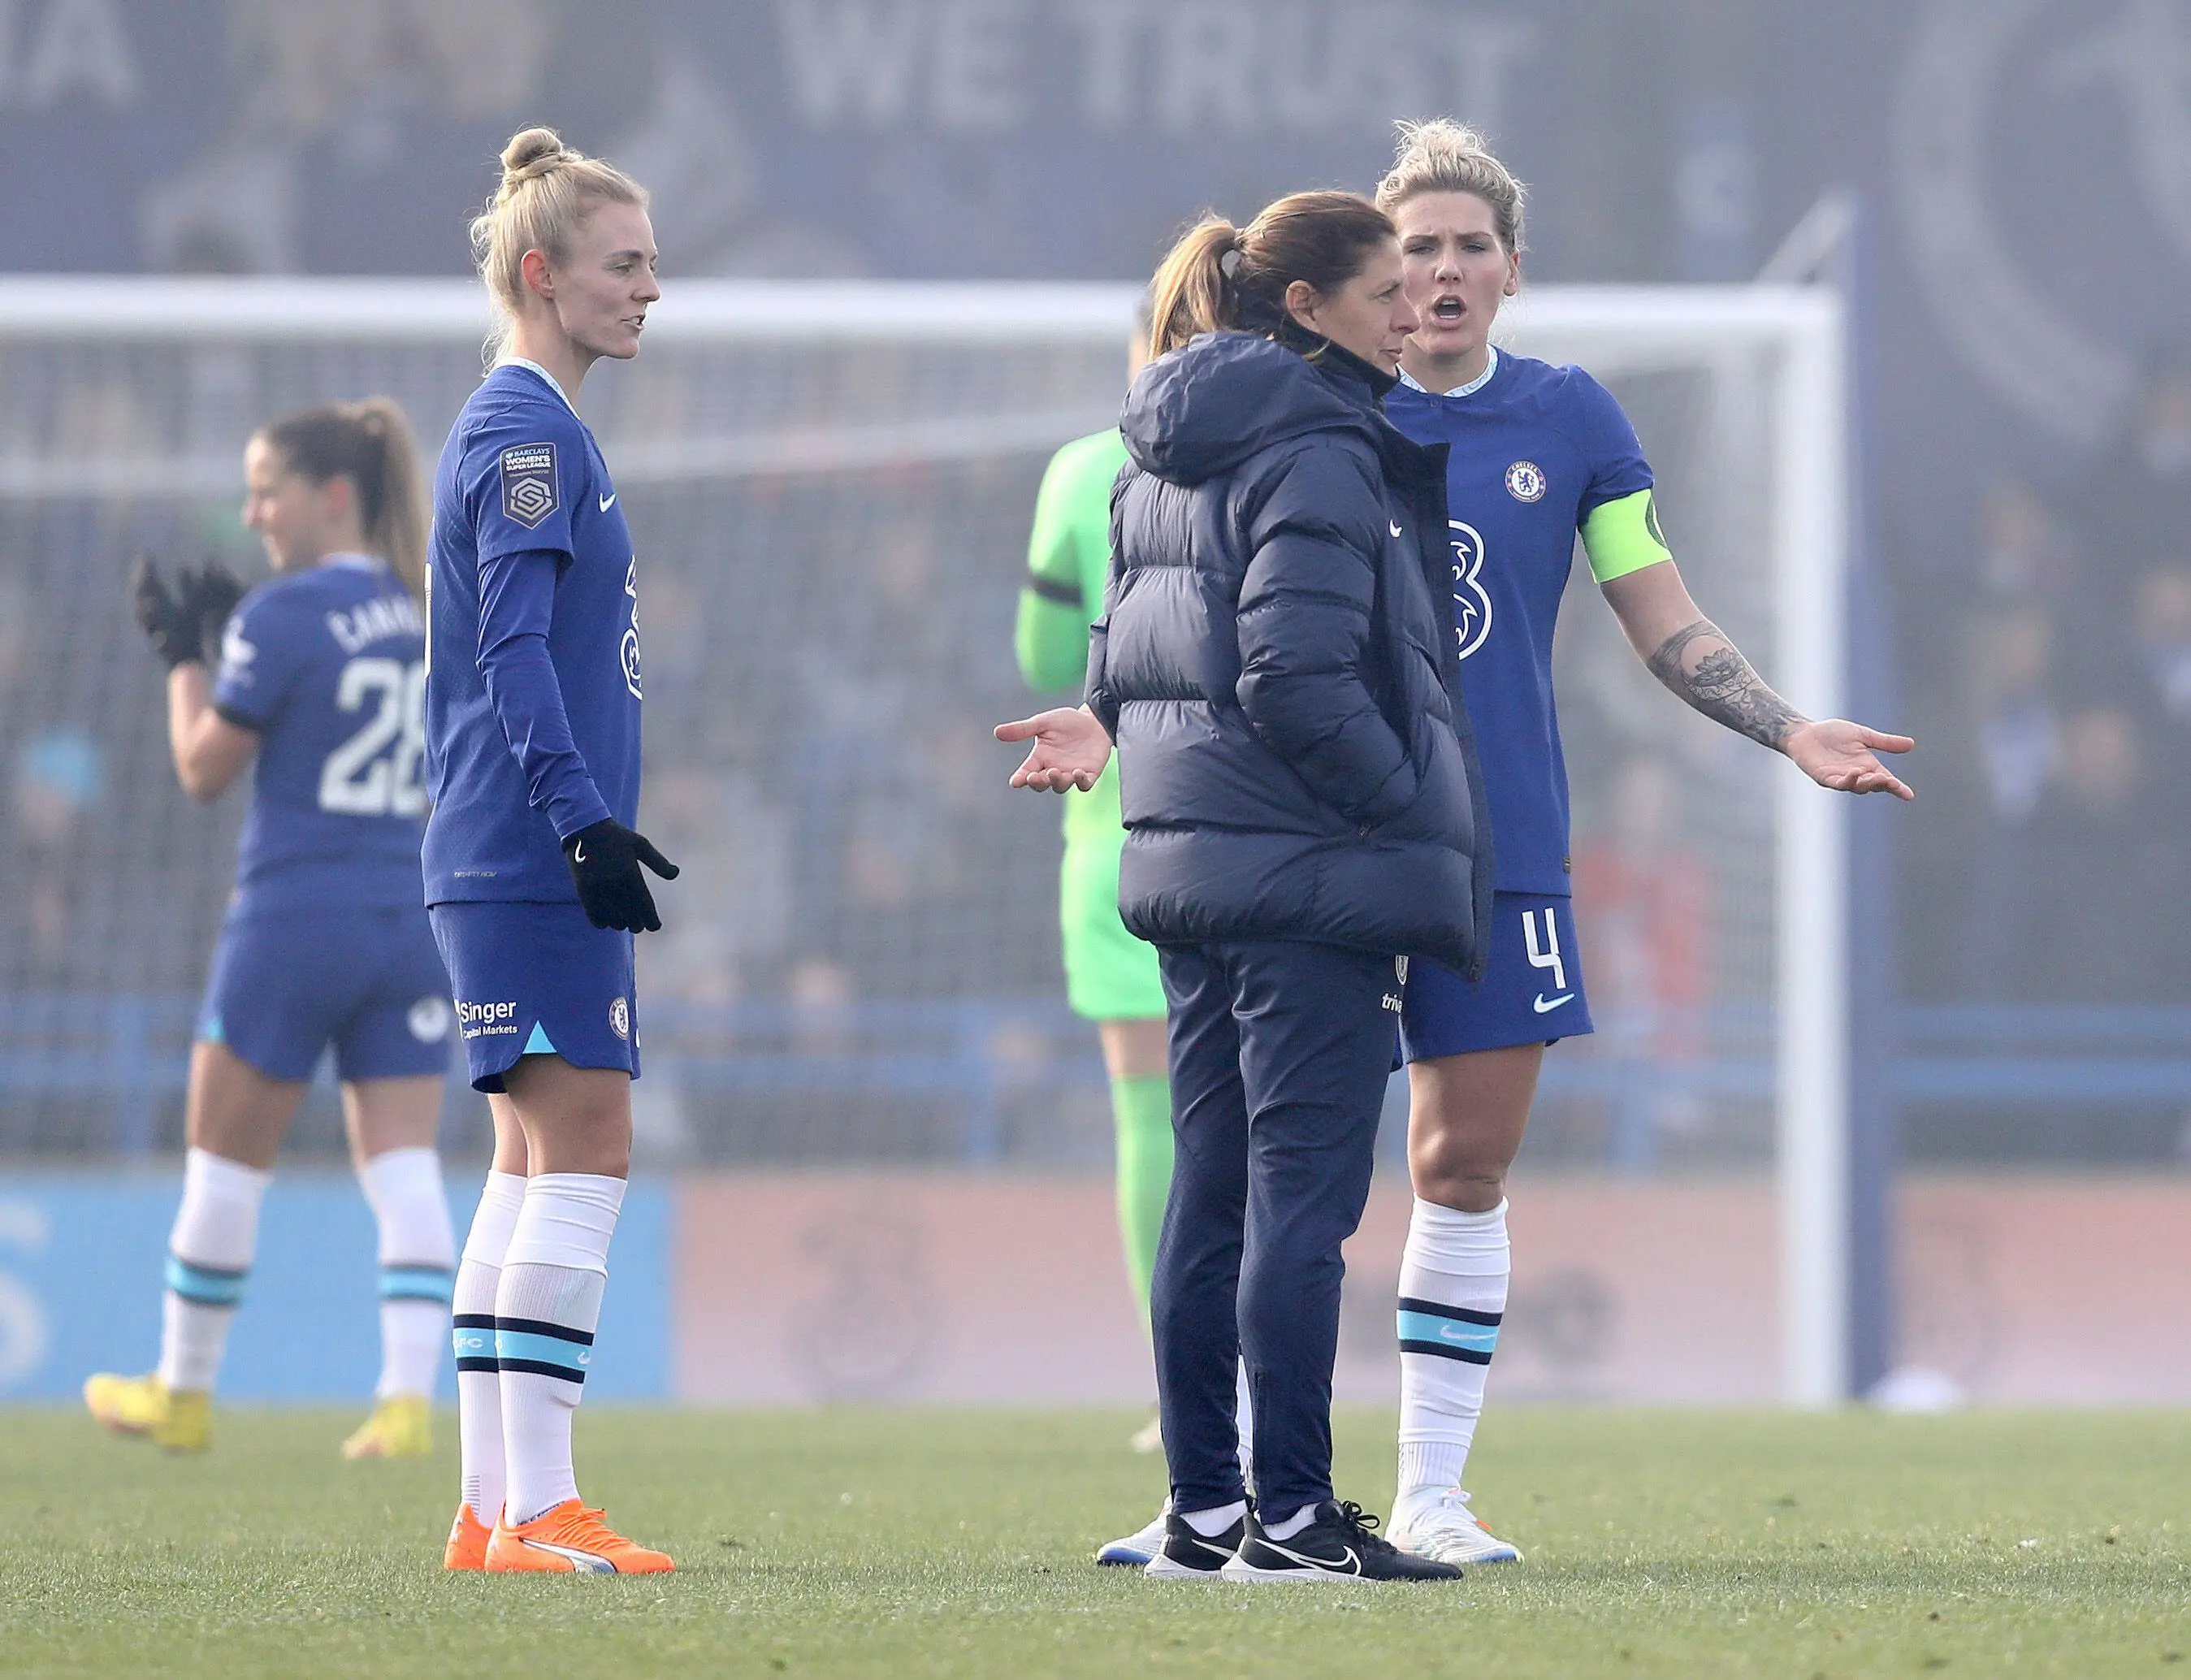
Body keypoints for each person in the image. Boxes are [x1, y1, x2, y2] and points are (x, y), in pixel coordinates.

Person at [1372, 119, 1915, 1565]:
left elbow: (1659, 614)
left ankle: (1428, 1498)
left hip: (1498, 844)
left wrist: (1788, 726)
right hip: (1328, 844)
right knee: (1277, 1163)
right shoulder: (1317, 410)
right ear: (1378, 271)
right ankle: (1236, 1491)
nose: (1442, 271)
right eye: (1417, 248)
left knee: (1462, 1166)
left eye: (1470, 247)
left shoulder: (1571, 421)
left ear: (1513, 270)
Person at [998, 190, 1485, 1583]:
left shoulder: (1150, 450)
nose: (1414, 311)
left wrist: (1125, 732)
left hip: (1192, 870)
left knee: (1207, 1196)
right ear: (1306, 306)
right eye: (1386, 290)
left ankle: (1204, 1513)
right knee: (1302, 1209)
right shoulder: (1321, 449)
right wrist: (1411, 805)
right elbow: (1292, 675)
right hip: (1310, 879)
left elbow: (1121, 657)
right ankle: (1297, 1520)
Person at [86, 399, 458, 1461]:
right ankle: (405, 1404)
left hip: (294, 917)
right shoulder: (429, 608)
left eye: (266, 492)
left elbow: (203, 769)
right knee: (405, 1167)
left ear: (332, 496)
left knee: (224, 1166)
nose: (252, 515)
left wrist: (183, 658)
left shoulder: (282, 615)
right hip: (410, 913)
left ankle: (184, 1392)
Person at [427, 126, 678, 1576]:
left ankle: (488, 1509)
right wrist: (582, 818)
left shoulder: (534, 428)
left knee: (527, 1164)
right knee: (588, 1147)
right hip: (527, 851)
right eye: (623, 263)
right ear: (542, 273)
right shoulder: (526, 436)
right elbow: (511, 649)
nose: (649, 289)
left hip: (495, 848)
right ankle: (541, 1505)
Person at [1015, 303, 1258, 1569]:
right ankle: (1267, 1377)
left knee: (1147, 1112)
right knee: (1261, 1104)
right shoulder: (1284, 459)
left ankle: (1182, 1389)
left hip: (1112, 824)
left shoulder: (1080, 470)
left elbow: (1042, 654)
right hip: (1248, 817)